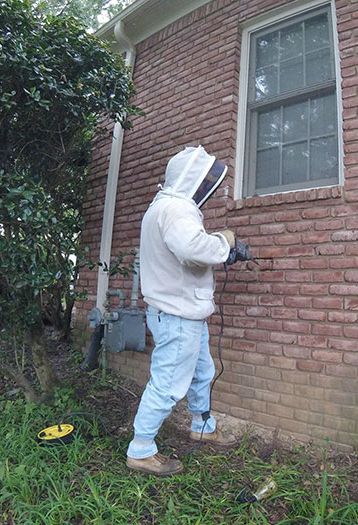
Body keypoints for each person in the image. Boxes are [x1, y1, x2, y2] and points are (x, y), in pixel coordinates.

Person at [126, 145, 237, 476]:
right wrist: (225, 242)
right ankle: (141, 449)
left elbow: (185, 253)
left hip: (183, 314)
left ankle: (202, 424)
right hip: (177, 317)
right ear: (192, 178)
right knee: (169, 382)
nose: (206, 187)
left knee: (202, 371)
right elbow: (192, 247)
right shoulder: (175, 209)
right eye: (203, 181)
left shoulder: (164, 208)